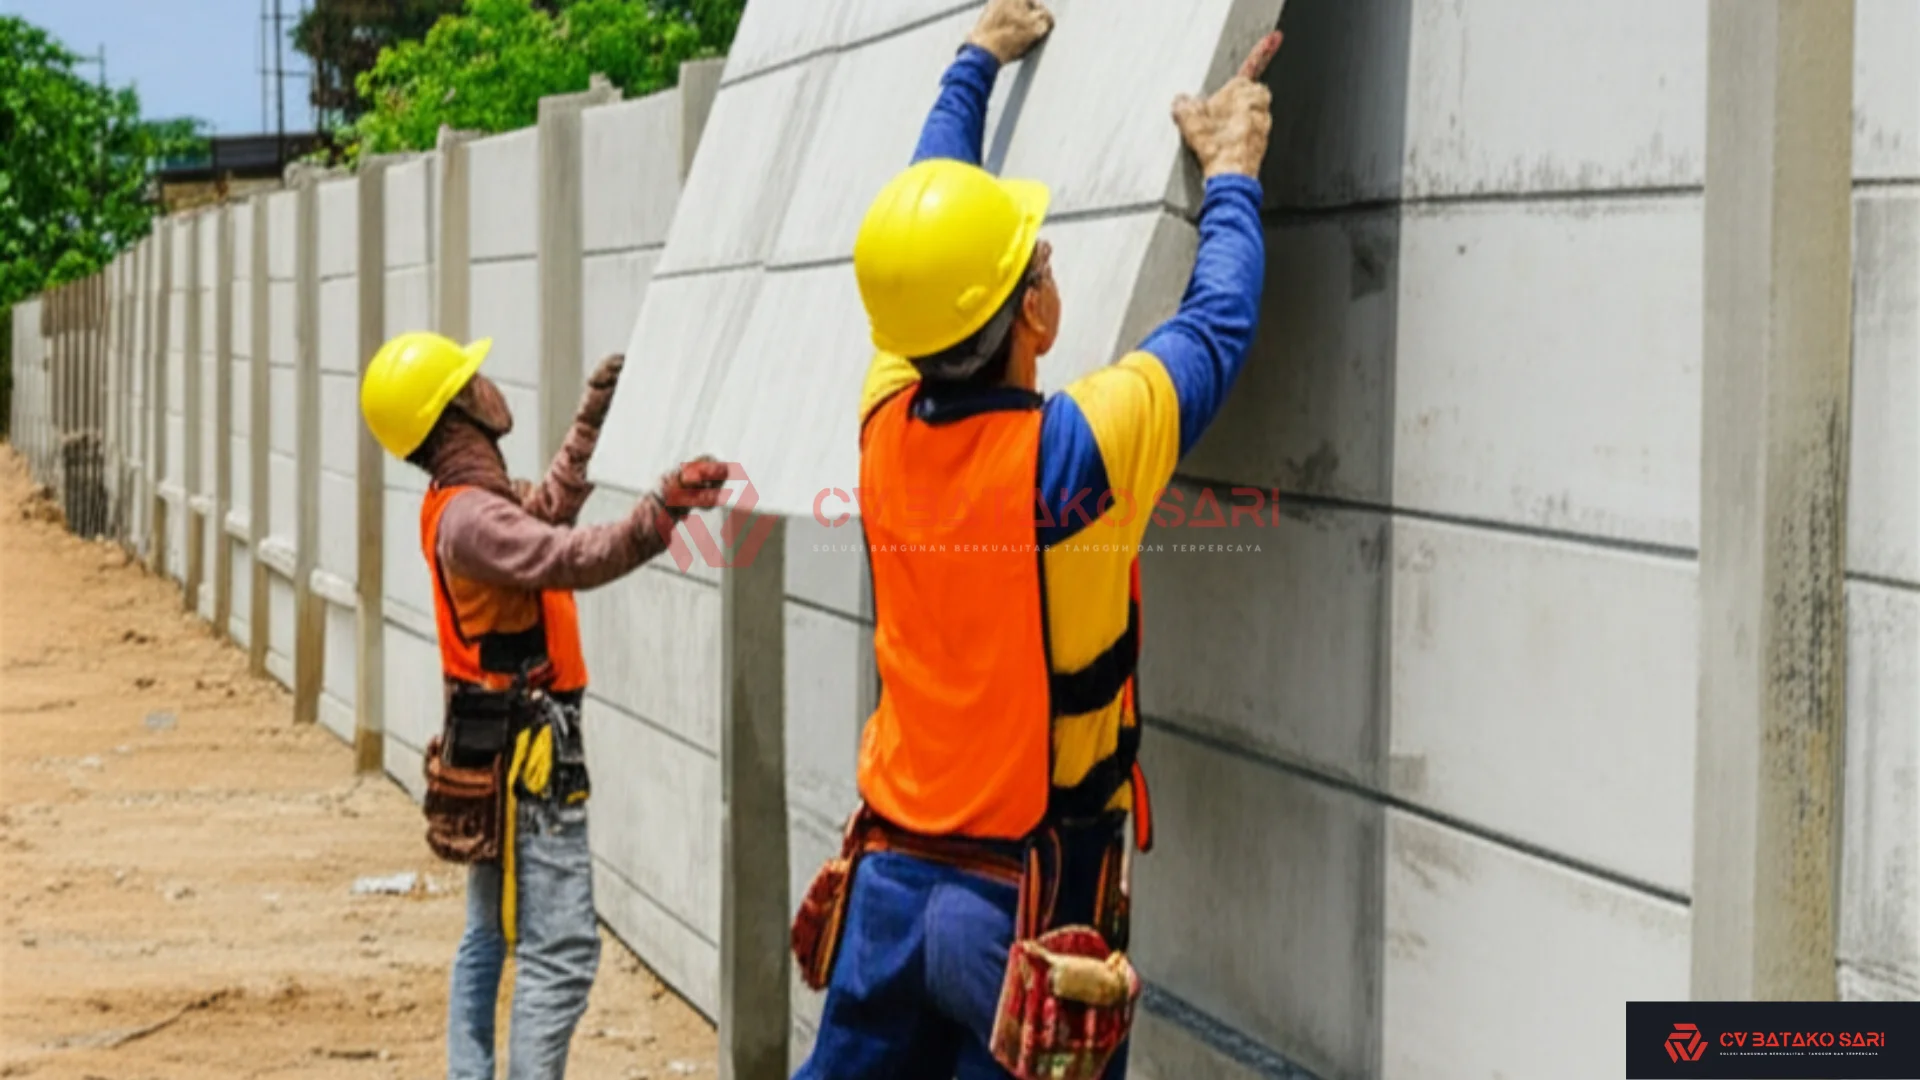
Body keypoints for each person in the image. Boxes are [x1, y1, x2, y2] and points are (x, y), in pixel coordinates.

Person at [794, 0, 1278, 1075]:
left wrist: (972, 66)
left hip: (885, 892)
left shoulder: (883, 419)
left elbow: (925, 249)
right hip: (1024, 906)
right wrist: (1233, 170)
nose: (1050, 266)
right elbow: (1217, 322)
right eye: (1039, 263)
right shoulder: (1079, 456)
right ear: (1034, 318)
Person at [359, 335, 728, 1080]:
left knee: (490, 936)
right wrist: (660, 517)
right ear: (458, 411)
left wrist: (590, 420)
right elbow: (571, 556)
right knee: (560, 952)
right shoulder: (473, 521)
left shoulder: (465, 505)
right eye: (473, 378)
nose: (489, 384)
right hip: (529, 755)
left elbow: (549, 509)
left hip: (494, 741)